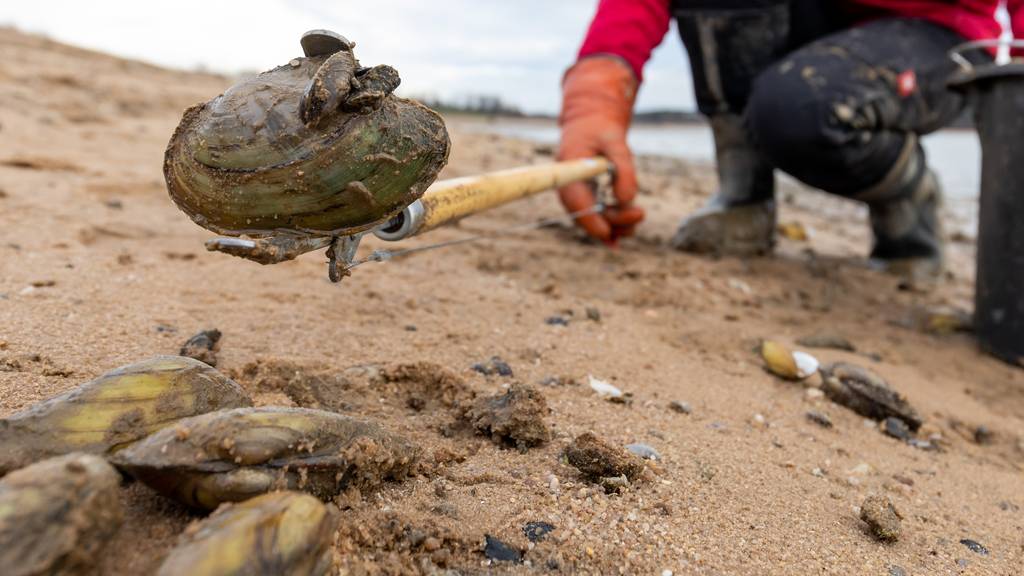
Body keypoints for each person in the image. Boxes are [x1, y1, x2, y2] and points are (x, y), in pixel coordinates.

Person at [558, 0, 1019, 280]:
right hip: (809, 19)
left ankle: (907, 197)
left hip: (935, 36)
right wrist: (595, 96)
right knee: (795, 99)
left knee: (806, 108)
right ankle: (744, 194)